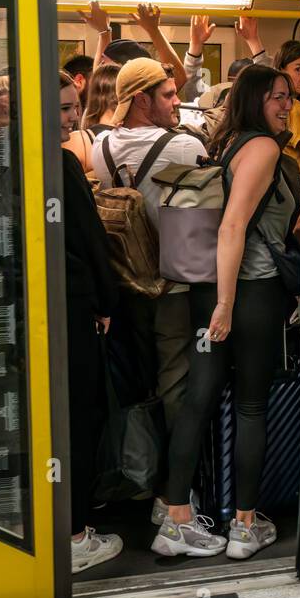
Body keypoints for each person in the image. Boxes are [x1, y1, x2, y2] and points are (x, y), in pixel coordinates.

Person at [152, 64, 298, 559]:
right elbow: (233, 226)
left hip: (206, 291)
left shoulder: (227, 143)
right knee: (251, 404)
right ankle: (244, 525)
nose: (287, 104)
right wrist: (228, 304)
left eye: (289, 96)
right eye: (278, 96)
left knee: (199, 397)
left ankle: (175, 521)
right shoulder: (263, 148)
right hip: (248, 294)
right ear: (256, 98)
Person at [90, 58, 205, 500]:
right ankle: (175, 489)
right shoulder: (180, 148)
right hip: (172, 283)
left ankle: (140, 471)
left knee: (142, 383)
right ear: (141, 99)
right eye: (168, 95)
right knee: (177, 384)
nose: (177, 103)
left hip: (126, 285)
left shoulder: (100, 147)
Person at [57, 71, 124, 573]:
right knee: (79, 418)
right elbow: (90, 241)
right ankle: (76, 533)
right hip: (72, 306)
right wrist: (106, 303)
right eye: (58, 108)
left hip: (32, 310)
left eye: (72, 106)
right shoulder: (59, 164)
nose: (69, 117)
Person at [182, 14, 270, 107]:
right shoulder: (214, 101)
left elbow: (269, 84)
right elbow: (192, 86)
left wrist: (253, 41)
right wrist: (195, 45)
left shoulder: (257, 105)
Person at [274, 38, 300, 180]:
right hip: (298, 182)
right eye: (298, 69)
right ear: (282, 71)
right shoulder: (294, 107)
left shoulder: (275, 105)